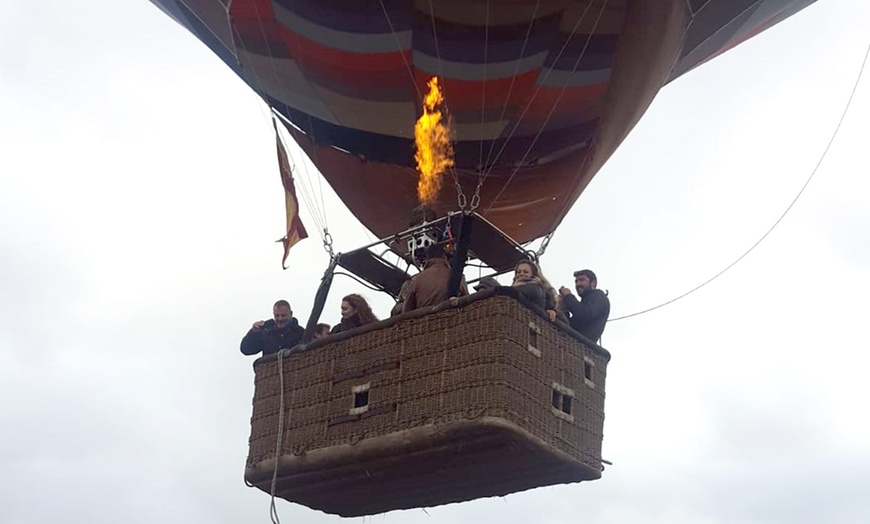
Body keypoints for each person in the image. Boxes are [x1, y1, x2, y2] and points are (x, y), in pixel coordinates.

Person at [403, 243, 467, 313]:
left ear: (427, 260)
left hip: (426, 319)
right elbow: (468, 302)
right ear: (445, 257)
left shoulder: (416, 279)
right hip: (454, 318)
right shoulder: (458, 276)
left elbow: (406, 311)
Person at [558, 269, 610, 342]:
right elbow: (574, 323)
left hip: (580, 344)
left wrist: (568, 296)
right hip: (573, 343)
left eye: (582, 280)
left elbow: (583, 314)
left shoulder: (599, 296)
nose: (578, 284)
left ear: (593, 283)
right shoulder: (586, 302)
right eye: (576, 281)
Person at [240, 300, 305, 356]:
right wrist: (254, 333)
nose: (280, 319)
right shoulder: (266, 331)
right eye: (277, 316)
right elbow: (246, 350)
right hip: (270, 366)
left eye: (283, 315)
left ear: (291, 313)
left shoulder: (301, 333)